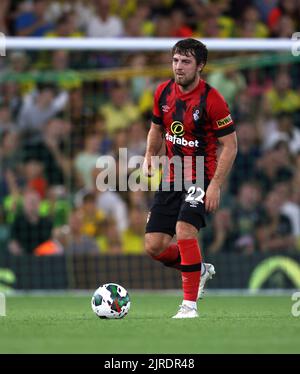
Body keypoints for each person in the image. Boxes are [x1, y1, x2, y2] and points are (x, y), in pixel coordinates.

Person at [143, 38, 238, 319]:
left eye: (186, 62)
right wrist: (149, 155)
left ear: (200, 66)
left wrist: (216, 185)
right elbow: (156, 129)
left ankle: (189, 306)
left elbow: (230, 145)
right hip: (173, 176)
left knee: (185, 231)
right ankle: (200, 269)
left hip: (201, 173)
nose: (179, 67)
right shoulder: (162, 92)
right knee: (154, 246)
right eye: (175, 60)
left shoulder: (213, 100)